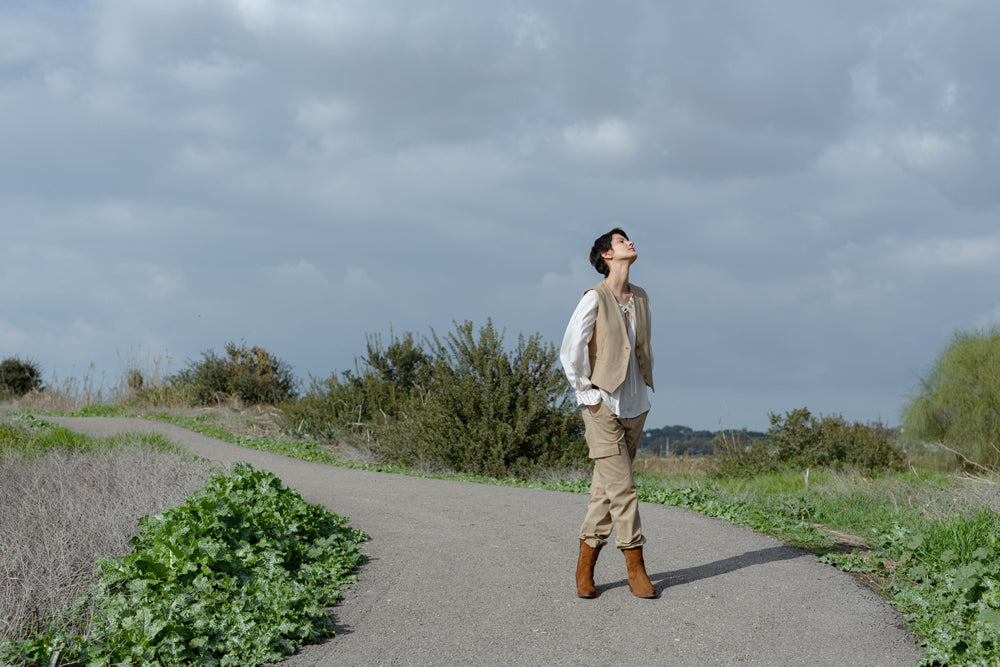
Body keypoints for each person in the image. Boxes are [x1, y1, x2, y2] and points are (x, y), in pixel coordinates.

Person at [560, 228, 655, 599]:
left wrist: (643, 389)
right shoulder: (594, 298)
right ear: (606, 256)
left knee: (606, 491)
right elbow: (571, 350)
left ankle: (584, 568)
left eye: (627, 240)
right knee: (625, 490)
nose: (629, 243)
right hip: (602, 407)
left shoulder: (641, 297)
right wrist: (587, 394)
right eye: (620, 242)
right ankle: (636, 568)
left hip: (635, 406)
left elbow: (638, 348)